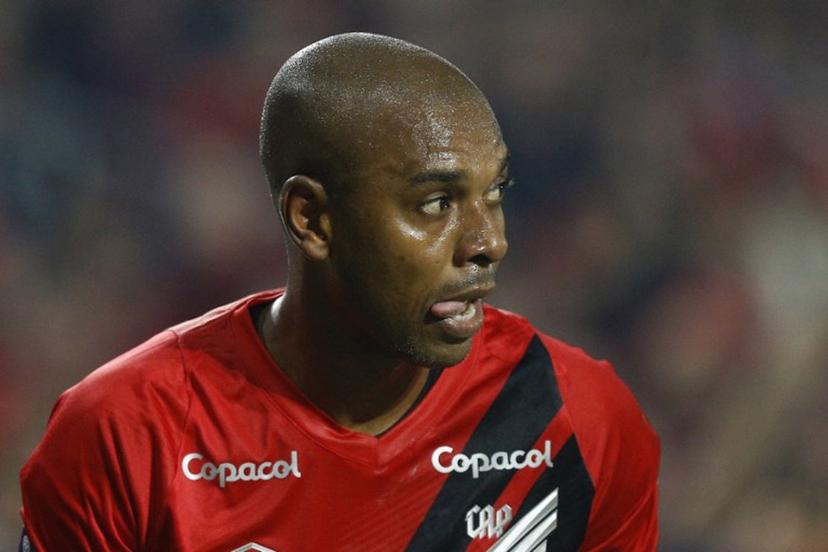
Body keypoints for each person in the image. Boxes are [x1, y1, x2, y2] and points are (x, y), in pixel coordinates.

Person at [19, 33, 659, 551]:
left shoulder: (579, 419)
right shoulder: (126, 434)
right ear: (312, 218)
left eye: (494, 195)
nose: (489, 241)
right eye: (436, 203)